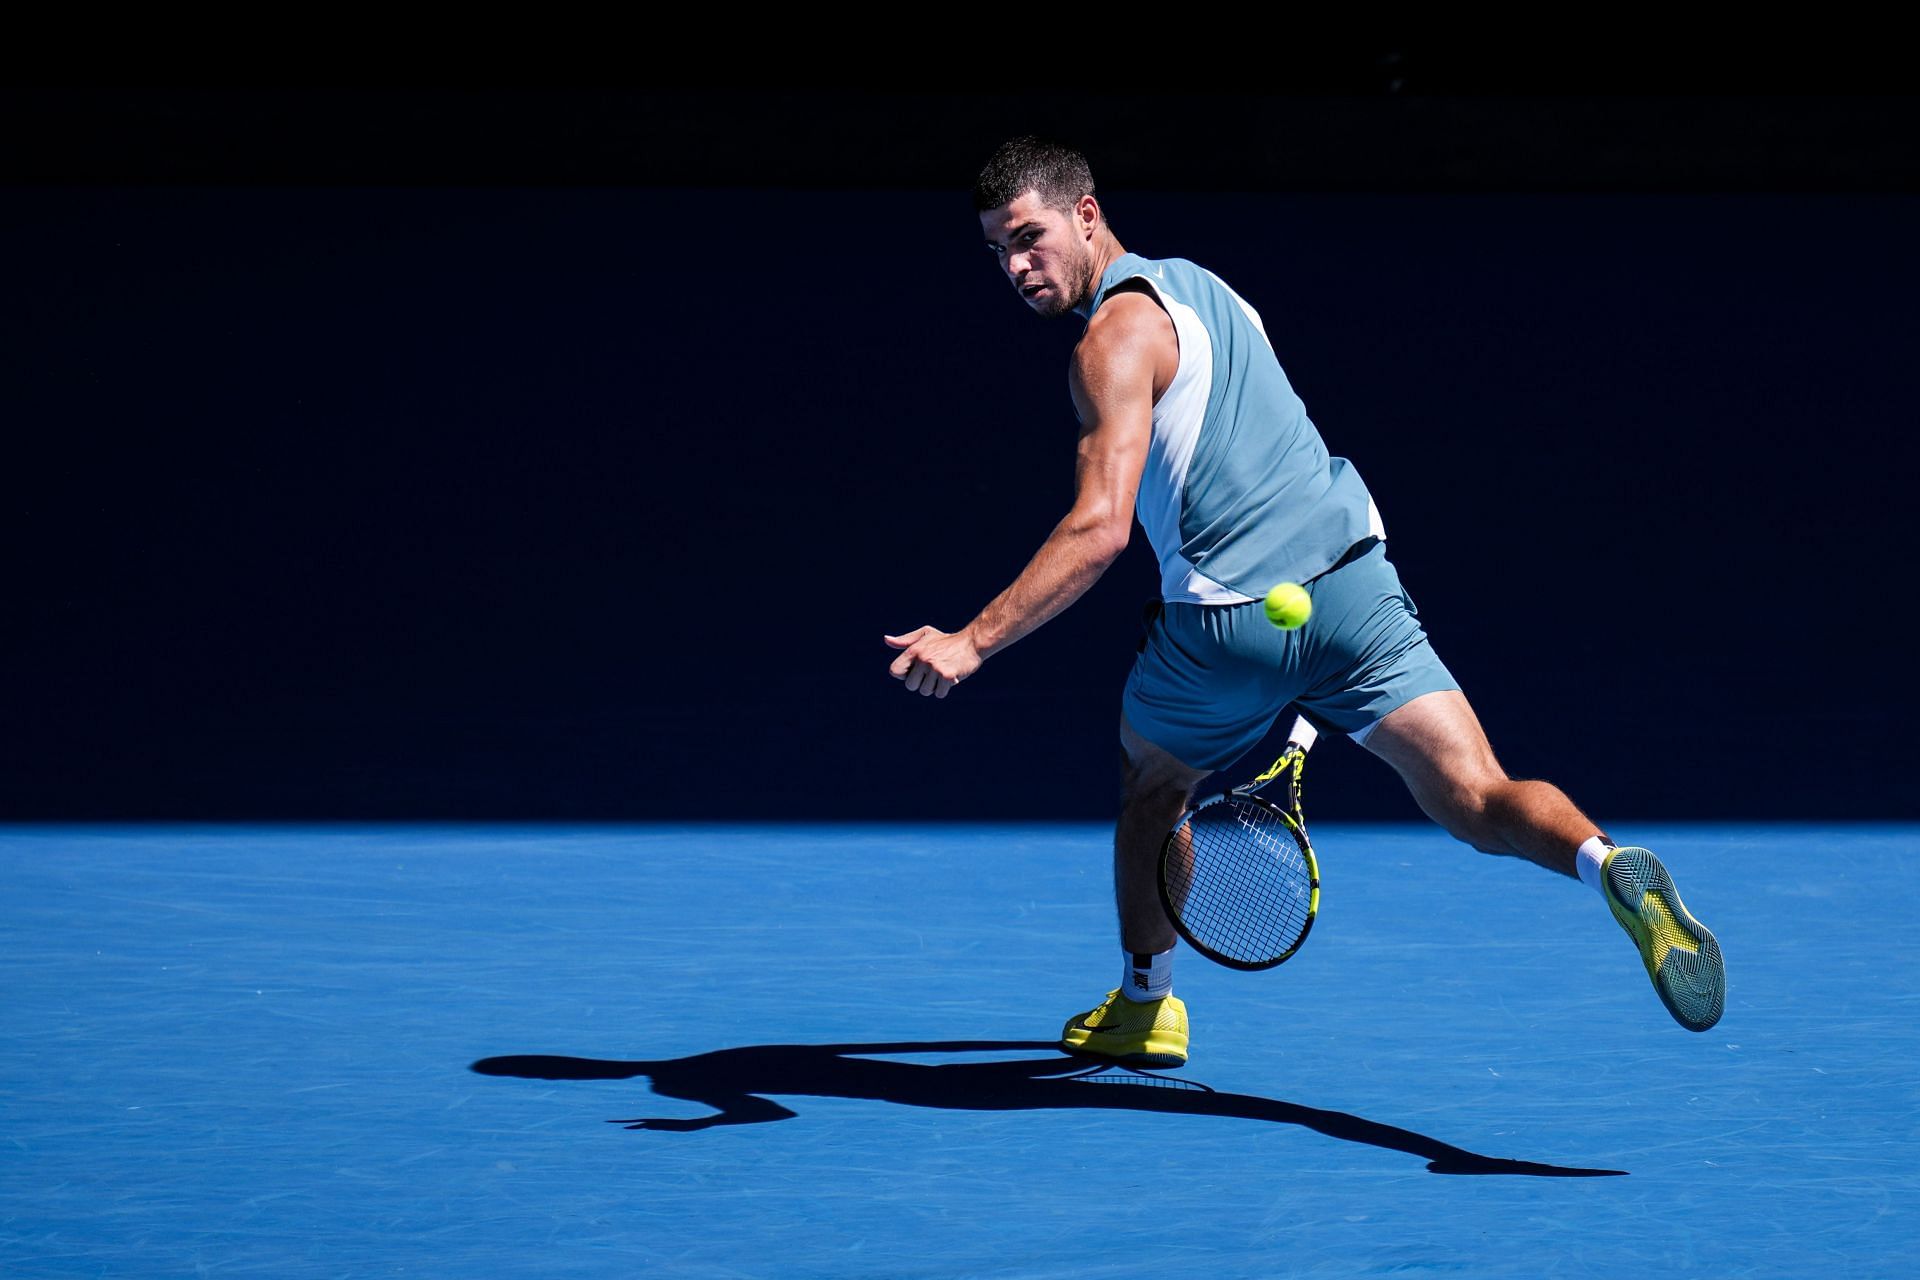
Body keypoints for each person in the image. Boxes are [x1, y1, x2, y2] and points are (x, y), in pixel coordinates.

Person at [884, 137, 1724, 1066]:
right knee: (1480, 795)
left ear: (1087, 214)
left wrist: (973, 641)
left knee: (1153, 784)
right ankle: (1604, 864)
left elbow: (1100, 528)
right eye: (998, 250)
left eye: (1030, 237)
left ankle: (1146, 1006)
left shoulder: (1106, 344)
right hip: (1358, 583)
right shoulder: (1211, 288)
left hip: (1227, 622)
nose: (1015, 266)